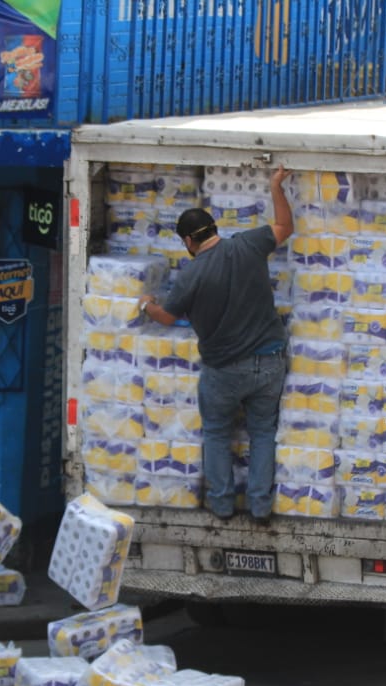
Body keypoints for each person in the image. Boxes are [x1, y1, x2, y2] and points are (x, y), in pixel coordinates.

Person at [138, 165, 293, 523]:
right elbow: (285, 226)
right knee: (263, 432)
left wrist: (146, 303)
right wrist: (275, 187)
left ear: (188, 241)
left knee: (218, 434)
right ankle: (260, 507)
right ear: (214, 229)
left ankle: (222, 506)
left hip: (222, 370)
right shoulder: (249, 244)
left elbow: (166, 316)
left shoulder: (191, 274)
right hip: (268, 363)